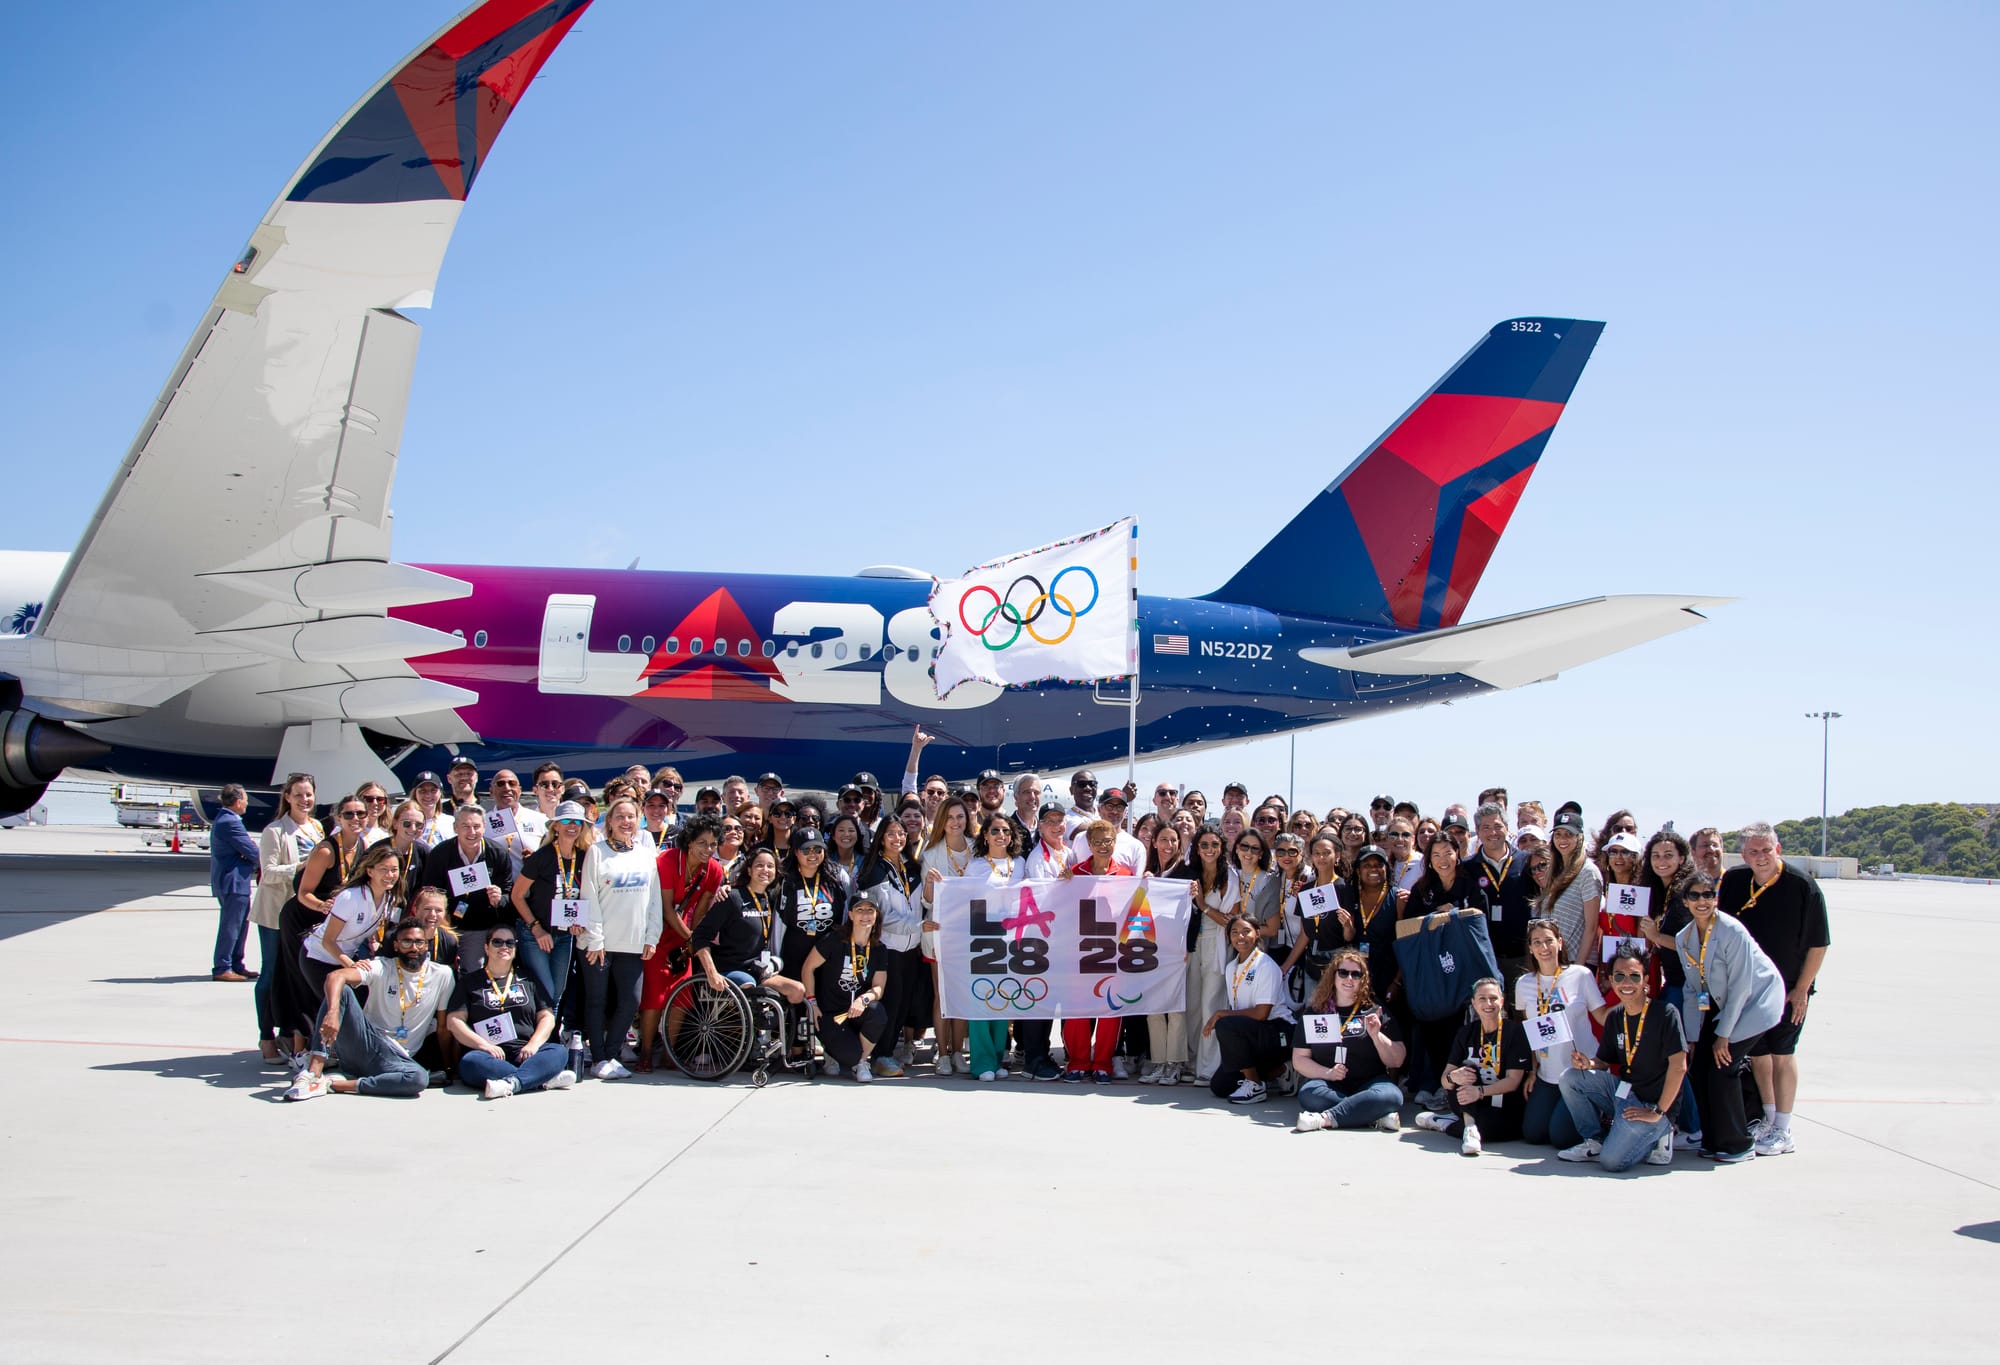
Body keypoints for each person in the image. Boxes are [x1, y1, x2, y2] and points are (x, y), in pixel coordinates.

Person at [1718, 822, 1829, 1157]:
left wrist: (1801, 990)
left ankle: (1784, 1127)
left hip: (1788, 990)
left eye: (1766, 850)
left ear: (1777, 850)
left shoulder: (1802, 886)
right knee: (1760, 1056)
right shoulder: (1735, 881)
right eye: (1753, 851)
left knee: (1783, 1054)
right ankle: (1767, 1120)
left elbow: (1818, 944)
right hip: (1750, 991)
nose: (1761, 857)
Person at [1673, 871, 1787, 1162]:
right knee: (1698, 1069)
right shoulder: (1683, 938)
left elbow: (1741, 987)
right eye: (1695, 895)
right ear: (1685, 901)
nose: (1702, 901)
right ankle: (1713, 1140)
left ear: (1716, 898)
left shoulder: (1731, 930)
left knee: (1724, 1065)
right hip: (1717, 1005)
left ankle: (1738, 1143)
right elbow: (1691, 989)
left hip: (1755, 1002)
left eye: (1708, 895)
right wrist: (1693, 1038)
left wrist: (1724, 1036)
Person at [285, 919, 460, 1100]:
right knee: (341, 991)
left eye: (419, 942)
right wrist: (332, 1013)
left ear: (426, 946)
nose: (413, 948)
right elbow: (335, 976)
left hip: (399, 1058)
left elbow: (442, 1028)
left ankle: (332, 1084)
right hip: (367, 1044)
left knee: (418, 1078)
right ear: (396, 945)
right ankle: (313, 1074)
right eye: (407, 942)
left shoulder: (443, 974)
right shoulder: (382, 966)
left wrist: (450, 1067)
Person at [1557, 942, 1687, 1170]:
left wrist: (1657, 1112)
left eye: (1634, 977)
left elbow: (1679, 1067)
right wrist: (1588, 1063)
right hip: (1625, 1094)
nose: (1627, 983)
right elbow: (1604, 1062)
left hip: (1653, 1104)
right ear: (1612, 980)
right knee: (1571, 1078)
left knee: (1612, 1161)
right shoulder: (1616, 1015)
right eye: (1619, 976)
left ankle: (1663, 1130)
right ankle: (1594, 1140)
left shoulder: (1666, 1014)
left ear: (1646, 980)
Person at [276, 797, 372, 1057]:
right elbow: (303, 893)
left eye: (360, 814)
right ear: (337, 818)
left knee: (327, 982)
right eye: (349, 815)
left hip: (332, 923)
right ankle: (300, 1045)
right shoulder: (327, 850)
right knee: (302, 981)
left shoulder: (362, 846)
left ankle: (324, 1043)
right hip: (304, 919)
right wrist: (323, 907)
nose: (356, 819)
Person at [578, 797, 663, 1079]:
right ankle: (598, 1058)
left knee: (630, 1001)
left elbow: (654, 900)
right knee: (596, 1001)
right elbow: (588, 896)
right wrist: (596, 939)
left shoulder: (645, 854)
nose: (626, 822)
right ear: (609, 822)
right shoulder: (597, 852)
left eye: (631, 817)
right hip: (599, 944)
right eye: (620, 817)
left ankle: (611, 1055)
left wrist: (652, 935)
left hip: (633, 941)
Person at [637, 814, 727, 1072]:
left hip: (684, 936)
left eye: (712, 844)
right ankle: (644, 1053)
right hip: (656, 934)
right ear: (689, 842)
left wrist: (692, 942)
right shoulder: (667, 861)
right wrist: (692, 939)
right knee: (654, 997)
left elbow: (700, 910)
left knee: (682, 997)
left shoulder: (714, 869)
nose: (708, 849)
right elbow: (666, 909)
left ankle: (670, 1053)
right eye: (702, 843)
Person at [1513, 917, 1607, 1149]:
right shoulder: (1523, 984)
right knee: (1533, 1134)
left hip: (1578, 1073)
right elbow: (1529, 1031)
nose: (1544, 948)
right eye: (1537, 942)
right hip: (1547, 1075)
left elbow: (1603, 1017)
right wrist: (1533, 1071)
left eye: (1549, 941)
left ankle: (1600, 1114)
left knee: (1561, 1138)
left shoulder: (1580, 975)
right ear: (1531, 948)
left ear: (1560, 943)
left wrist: (1634, 1001)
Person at [446, 930, 573, 1098]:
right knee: (470, 1063)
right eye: (497, 942)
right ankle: (540, 1079)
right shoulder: (469, 982)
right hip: (488, 1055)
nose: (504, 947)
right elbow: (454, 1021)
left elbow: (547, 1016)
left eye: (510, 943)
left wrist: (533, 1044)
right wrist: (484, 1046)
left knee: (559, 1052)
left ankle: (512, 1083)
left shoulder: (528, 978)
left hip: (527, 1053)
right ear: (486, 947)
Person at [1413, 976, 1530, 1156]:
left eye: (1493, 998)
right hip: (1468, 1098)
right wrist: (1454, 1077)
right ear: (1474, 1003)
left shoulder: (1515, 1032)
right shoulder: (1466, 1032)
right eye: (1482, 999)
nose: (1488, 1003)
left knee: (1501, 1131)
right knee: (1467, 1068)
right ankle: (1470, 1128)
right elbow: (1445, 1081)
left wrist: (1480, 1092)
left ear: (1502, 1001)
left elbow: (1513, 1081)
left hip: (1501, 1104)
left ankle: (1448, 1123)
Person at [1293, 948, 1406, 1133]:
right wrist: (1328, 1073)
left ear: (1363, 979)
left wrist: (1377, 1035)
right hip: (1329, 1084)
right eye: (1343, 972)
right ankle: (1371, 1113)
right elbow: (1299, 1059)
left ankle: (1325, 1119)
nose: (1349, 979)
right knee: (1309, 1094)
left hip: (1371, 1082)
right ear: (1333, 976)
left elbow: (1397, 1059)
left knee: (1392, 1096)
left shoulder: (1375, 1010)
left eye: (1356, 974)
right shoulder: (1315, 1012)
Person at [255, 772, 320, 1064]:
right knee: (270, 975)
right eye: (298, 795)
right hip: (276, 914)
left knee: (296, 977)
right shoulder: (275, 831)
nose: (304, 800)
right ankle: (266, 1036)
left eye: (308, 794)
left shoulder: (317, 829)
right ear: (287, 798)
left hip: (304, 915)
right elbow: (267, 873)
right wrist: (302, 866)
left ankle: (290, 1031)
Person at [1060, 820, 1132, 1082]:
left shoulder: (1126, 875)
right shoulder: (1075, 873)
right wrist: (1062, 883)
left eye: (1108, 841)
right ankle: (1078, 1062)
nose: (1103, 846)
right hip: (1080, 953)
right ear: (1089, 844)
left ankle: (1103, 1063)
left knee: (1110, 1010)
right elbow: (1060, 908)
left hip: (1111, 954)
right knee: (1077, 1010)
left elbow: (1134, 912)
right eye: (1098, 842)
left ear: (1115, 842)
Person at [509, 801, 591, 1019]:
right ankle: (539, 1043)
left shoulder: (585, 858)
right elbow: (516, 896)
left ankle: (549, 1044)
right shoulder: (541, 857)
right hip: (536, 935)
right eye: (566, 820)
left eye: (577, 822)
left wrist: (579, 922)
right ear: (555, 826)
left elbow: (588, 897)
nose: (572, 825)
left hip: (564, 936)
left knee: (556, 995)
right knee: (544, 993)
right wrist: (536, 929)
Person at [1203, 914, 1295, 1103]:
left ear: (1257, 934)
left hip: (1279, 1032)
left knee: (1226, 1024)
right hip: (1254, 1033)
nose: (1240, 937)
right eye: (1235, 932)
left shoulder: (1265, 965)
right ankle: (1282, 1070)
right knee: (1220, 1086)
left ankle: (1255, 1085)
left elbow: (1262, 1014)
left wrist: (1222, 1014)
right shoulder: (1231, 968)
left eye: (1246, 931)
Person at [300, 842, 405, 1008]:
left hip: (347, 957)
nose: (390, 875)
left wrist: (372, 942)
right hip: (319, 957)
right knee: (338, 1007)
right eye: (383, 869)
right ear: (370, 871)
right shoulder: (351, 897)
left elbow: (368, 923)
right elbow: (328, 940)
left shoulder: (389, 899)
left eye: (394, 870)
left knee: (364, 1002)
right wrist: (351, 965)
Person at [919, 794, 978, 1074]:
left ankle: (958, 1052)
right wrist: (930, 884)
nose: (956, 822)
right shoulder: (930, 855)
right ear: (942, 821)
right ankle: (942, 1053)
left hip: (971, 934)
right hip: (940, 933)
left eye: (960, 817)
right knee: (942, 995)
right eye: (951, 817)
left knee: (963, 994)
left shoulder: (979, 850)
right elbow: (927, 902)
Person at [803, 899, 892, 1081]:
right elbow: (808, 968)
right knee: (849, 1056)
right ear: (850, 915)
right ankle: (836, 1053)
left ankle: (861, 1063)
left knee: (878, 1012)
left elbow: (878, 987)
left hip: (855, 1012)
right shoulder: (834, 940)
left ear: (876, 916)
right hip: (830, 1013)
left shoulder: (879, 948)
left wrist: (864, 999)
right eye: (860, 910)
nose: (865, 915)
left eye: (870, 910)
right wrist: (811, 1001)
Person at [966, 816, 1024, 1081]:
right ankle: (981, 1063)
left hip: (1012, 941)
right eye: (995, 830)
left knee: (1003, 1001)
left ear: (1012, 836)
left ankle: (998, 1057)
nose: (1001, 834)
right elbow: (964, 899)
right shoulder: (975, 865)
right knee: (981, 1001)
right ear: (985, 836)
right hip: (983, 938)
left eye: (1005, 831)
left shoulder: (1021, 864)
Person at [420, 805, 513, 965]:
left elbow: (509, 893)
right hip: (445, 925)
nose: (471, 832)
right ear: (455, 828)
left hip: (479, 927)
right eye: (466, 826)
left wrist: (499, 899)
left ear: (484, 827)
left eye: (476, 826)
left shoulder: (497, 854)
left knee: (472, 968)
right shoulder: (440, 853)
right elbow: (429, 891)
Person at [1464, 802, 1534, 991]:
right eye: (1486, 828)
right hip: (1485, 956)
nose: (1492, 832)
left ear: (1507, 829)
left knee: (1521, 1012)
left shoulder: (1526, 861)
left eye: (1497, 826)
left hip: (1522, 955)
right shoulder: (1467, 867)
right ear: (1477, 832)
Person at [1185, 825, 1233, 1085]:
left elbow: (1231, 920)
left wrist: (1203, 905)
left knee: (1210, 1005)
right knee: (1191, 1006)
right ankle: (1192, 1061)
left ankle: (1209, 1067)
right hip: (1192, 945)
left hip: (1217, 943)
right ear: (1197, 848)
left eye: (1215, 845)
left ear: (1221, 847)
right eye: (1204, 845)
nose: (1209, 850)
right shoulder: (1190, 874)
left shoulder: (1230, 877)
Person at [207, 783, 260, 982]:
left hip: (236, 881)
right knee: (231, 926)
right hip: (233, 882)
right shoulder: (230, 822)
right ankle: (223, 966)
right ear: (238, 802)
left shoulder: (226, 820)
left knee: (240, 925)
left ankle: (236, 964)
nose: (247, 803)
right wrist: (251, 854)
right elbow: (253, 852)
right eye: (245, 799)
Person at [1539, 810, 1604, 967]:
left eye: (1569, 834)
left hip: (1577, 961)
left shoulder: (1588, 872)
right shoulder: (1554, 870)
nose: (1562, 839)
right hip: (1554, 960)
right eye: (1558, 834)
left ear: (1579, 838)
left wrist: (1578, 968)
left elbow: (1592, 927)